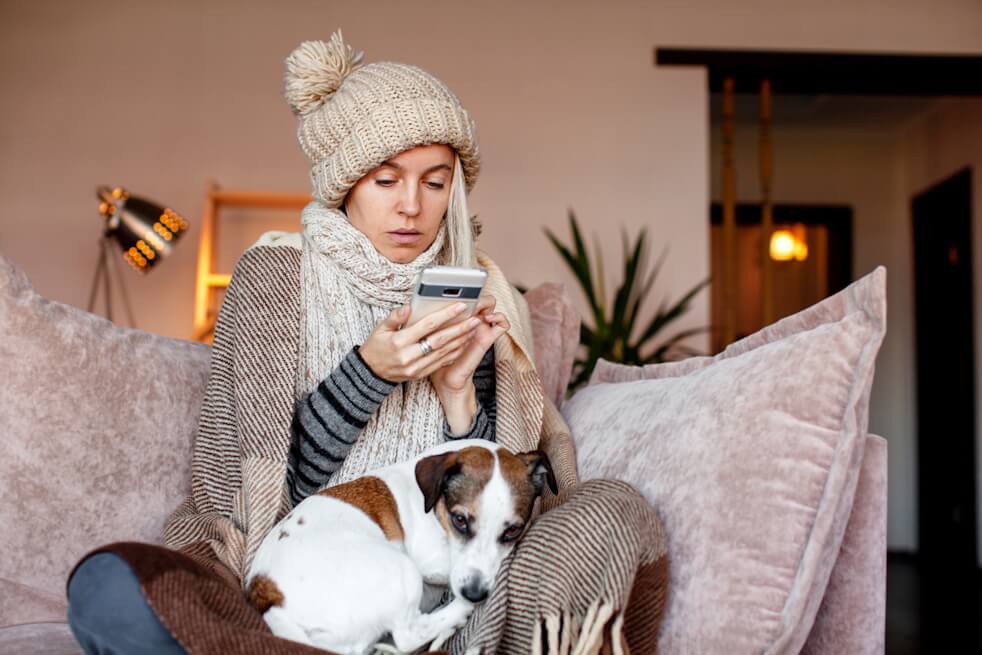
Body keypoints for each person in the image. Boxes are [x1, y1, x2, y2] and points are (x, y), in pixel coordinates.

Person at [66, 29, 667, 655]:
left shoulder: (481, 295)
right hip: (301, 560)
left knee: (610, 510)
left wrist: (458, 394)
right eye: (386, 180)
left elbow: (494, 499)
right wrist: (368, 374)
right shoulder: (273, 279)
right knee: (119, 589)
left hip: (457, 576)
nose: (411, 206)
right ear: (347, 181)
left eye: (435, 183)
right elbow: (264, 489)